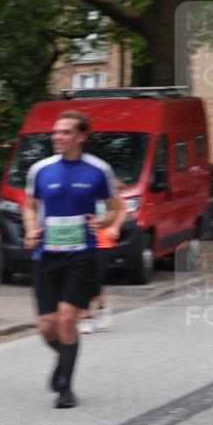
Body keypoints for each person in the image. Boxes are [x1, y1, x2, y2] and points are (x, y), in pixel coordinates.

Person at [23, 110, 128, 408]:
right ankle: (63, 358)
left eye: (65, 132)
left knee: (68, 318)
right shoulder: (40, 170)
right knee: (46, 325)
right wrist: (31, 229)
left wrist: (107, 224)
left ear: (81, 136)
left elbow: (118, 208)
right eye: (56, 132)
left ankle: (66, 388)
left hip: (82, 255)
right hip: (47, 254)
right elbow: (30, 207)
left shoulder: (98, 170)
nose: (58, 137)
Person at [78, 194, 127, 334]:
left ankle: (102, 306)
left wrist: (115, 227)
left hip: (103, 241)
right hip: (81, 240)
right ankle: (87, 317)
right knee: (84, 277)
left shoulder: (104, 185)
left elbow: (122, 208)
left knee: (95, 279)